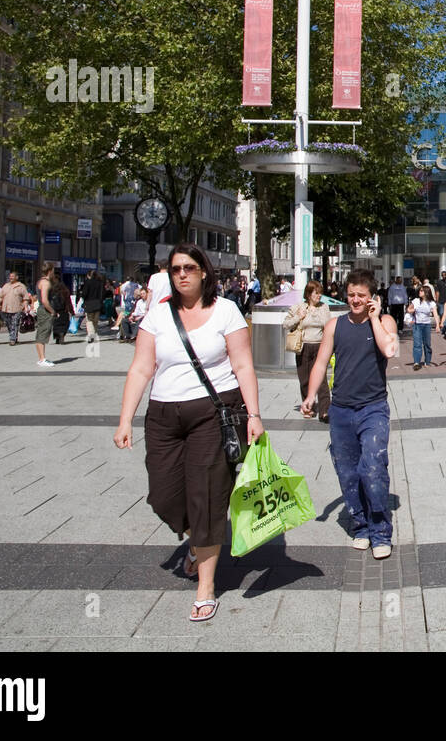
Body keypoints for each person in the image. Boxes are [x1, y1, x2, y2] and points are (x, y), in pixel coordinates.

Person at [114, 242, 264, 623]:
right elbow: (141, 369)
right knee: (163, 494)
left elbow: (243, 365)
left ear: (203, 272)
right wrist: (124, 419)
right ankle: (198, 538)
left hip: (213, 414)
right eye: (176, 268)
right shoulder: (158, 315)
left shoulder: (226, 310)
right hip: (164, 416)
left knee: (208, 498)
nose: (181, 274)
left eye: (189, 268)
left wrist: (254, 415)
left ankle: (206, 587)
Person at [300, 270, 399, 558]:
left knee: (373, 466)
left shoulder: (384, 322)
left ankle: (381, 531)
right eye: (351, 294)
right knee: (348, 472)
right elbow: (320, 364)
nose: (355, 300)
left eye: (361, 296)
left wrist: (373, 318)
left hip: (373, 408)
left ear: (372, 298)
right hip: (341, 409)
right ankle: (361, 526)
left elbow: (390, 349)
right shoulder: (335, 325)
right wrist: (310, 396)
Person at [283, 280, 333, 421]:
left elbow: (328, 325)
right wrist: (299, 316)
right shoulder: (299, 307)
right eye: (316, 293)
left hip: (319, 346)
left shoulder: (324, 308)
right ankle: (307, 407)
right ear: (309, 294)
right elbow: (286, 324)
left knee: (321, 379)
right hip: (303, 346)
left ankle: (325, 410)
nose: (319, 296)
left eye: (320, 293)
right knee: (304, 378)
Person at [34, 263, 59, 367]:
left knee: (41, 333)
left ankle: (41, 358)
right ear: (50, 271)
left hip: (42, 309)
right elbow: (44, 300)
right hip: (45, 311)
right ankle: (42, 359)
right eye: (53, 270)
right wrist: (52, 311)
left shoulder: (41, 281)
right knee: (43, 333)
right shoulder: (46, 283)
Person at [408, 285, 438, 369]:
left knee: (427, 344)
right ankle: (416, 362)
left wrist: (438, 325)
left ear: (426, 292)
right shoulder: (416, 301)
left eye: (421, 291)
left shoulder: (431, 303)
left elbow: (435, 314)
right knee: (417, 344)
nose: (419, 292)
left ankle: (427, 361)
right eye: (419, 291)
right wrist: (414, 309)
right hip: (417, 325)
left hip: (427, 325)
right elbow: (408, 309)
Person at [0, 271, 28, 345]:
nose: (10, 278)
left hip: (17, 308)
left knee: (14, 324)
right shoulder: (6, 286)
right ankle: (14, 337)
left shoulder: (21, 286)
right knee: (9, 324)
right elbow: (0, 296)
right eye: (10, 276)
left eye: (12, 276)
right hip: (6, 308)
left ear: (16, 277)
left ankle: (12, 339)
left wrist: (26, 307)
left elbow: (26, 298)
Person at [82, 270, 106, 339]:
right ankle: (94, 334)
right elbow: (103, 294)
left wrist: (83, 298)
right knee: (95, 321)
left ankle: (91, 335)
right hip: (98, 304)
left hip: (89, 304)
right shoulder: (100, 283)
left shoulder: (87, 282)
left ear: (89, 275)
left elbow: (84, 293)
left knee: (89, 320)